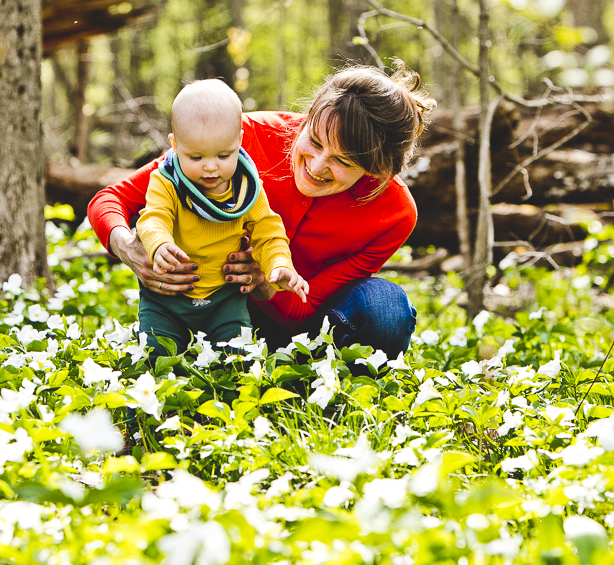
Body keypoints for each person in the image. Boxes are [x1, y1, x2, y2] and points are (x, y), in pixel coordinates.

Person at [89, 62, 434, 361]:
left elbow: (305, 307)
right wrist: (128, 248)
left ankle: (326, 385)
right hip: (211, 305)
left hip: (304, 326)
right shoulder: (237, 143)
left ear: (377, 170)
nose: (316, 166)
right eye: (313, 141)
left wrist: (263, 285)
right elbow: (110, 200)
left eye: (341, 161)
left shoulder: (394, 213)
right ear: (308, 117)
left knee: (385, 307)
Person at [135, 79, 309, 355]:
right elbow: (153, 217)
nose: (210, 167)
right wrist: (159, 243)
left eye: (224, 154)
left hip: (224, 299)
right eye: (195, 157)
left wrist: (279, 264)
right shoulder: (166, 181)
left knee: (237, 358)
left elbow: (268, 230)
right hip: (166, 299)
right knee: (157, 355)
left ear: (239, 139)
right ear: (175, 144)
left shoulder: (247, 188)